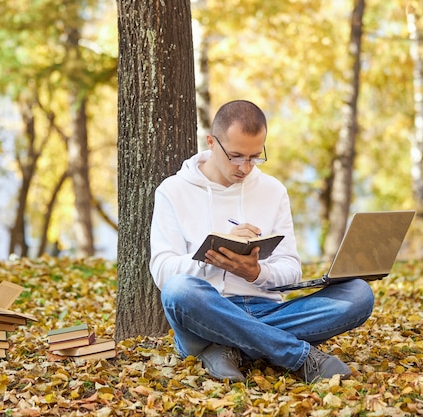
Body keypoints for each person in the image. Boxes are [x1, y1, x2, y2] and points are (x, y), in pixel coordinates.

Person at [149, 100, 375, 383]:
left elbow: (291, 268)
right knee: (178, 292)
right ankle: (299, 357)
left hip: (266, 307)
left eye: (255, 157)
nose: (245, 167)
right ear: (211, 142)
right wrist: (214, 256)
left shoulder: (273, 190)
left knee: (358, 295)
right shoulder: (173, 190)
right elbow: (162, 271)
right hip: (207, 312)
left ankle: (228, 348)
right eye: (236, 156)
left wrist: (256, 273)